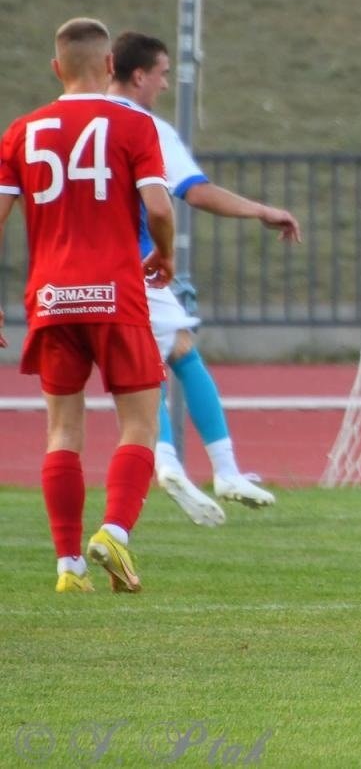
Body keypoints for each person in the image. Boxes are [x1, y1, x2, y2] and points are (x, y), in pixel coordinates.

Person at [0, 18, 176, 593]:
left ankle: (68, 566)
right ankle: (116, 533)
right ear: (108, 66)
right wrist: (165, 256)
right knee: (140, 424)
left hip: (51, 299)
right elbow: (160, 207)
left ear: (57, 68)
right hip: (115, 294)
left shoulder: (21, 131)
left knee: (61, 430)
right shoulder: (133, 124)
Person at [107, 32, 301, 523]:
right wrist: (261, 210)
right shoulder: (144, 127)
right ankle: (222, 468)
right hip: (134, 266)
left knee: (134, 373)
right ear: (138, 75)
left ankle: (168, 461)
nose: (166, 84)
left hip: (69, 278)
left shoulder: (63, 123)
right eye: (163, 74)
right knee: (182, 353)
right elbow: (191, 193)